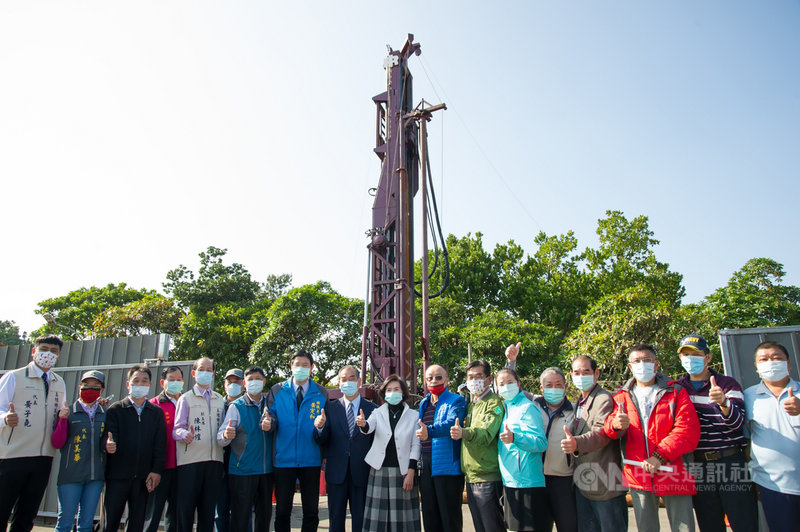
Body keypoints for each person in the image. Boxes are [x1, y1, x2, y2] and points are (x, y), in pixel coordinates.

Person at [603, 344, 700, 532]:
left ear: (656, 365)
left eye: (647, 360)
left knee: (683, 527)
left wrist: (660, 456)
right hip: (638, 472)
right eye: (637, 361)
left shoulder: (675, 392)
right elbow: (609, 427)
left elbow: (687, 430)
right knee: (646, 528)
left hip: (674, 470)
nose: (642, 365)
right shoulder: (621, 397)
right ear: (630, 367)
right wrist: (615, 425)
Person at [674, 334, 758, 531]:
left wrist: (723, 403)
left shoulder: (727, 384)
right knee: (709, 523)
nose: (690, 359)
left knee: (744, 522)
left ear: (708, 357)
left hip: (730, 462)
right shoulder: (678, 388)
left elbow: (737, 425)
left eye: (695, 354)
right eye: (685, 355)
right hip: (698, 466)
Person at [0, 334, 68, 532]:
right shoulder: (14, 377)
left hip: (43, 457)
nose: (48, 354)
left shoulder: (59, 382)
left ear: (59, 355)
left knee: (27, 514)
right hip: (12, 456)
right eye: (44, 349)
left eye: (53, 351)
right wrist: (5, 419)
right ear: (33, 351)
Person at [559, 355, 627, 532]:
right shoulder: (579, 403)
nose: (581, 376)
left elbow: (602, 433)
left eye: (586, 372)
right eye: (576, 372)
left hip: (605, 486)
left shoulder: (604, 399)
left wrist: (577, 444)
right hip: (584, 485)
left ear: (596, 373)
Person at [266, 350, 328, 532]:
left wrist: (321, 426)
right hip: (284, 459)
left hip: (311, 459)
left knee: (311, 511)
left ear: (312, 368)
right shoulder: (277, 390)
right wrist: (269, 423)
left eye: (305, 365)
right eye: (297, 365)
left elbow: (326, 429)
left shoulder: (321, 393)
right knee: (283, 511)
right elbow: (271, 418)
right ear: (291, 366)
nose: (300, 368)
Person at [743, 340, 800, 531]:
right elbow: (747, 440)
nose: (771, 362)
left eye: (777, 358)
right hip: (773, 486)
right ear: (757, 367)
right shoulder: (748, 396)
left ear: (789, 364)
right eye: (764, 359)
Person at [313, 365, 377, 532]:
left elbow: (376, 441)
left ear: (359, 381)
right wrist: (319, 427)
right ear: (339, 382)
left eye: (351, 378)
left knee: (360, 520)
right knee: (336, 519)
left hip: (362, 472)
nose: (347, 382)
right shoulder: (329, 408)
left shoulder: (372, 409)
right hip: (336, 473)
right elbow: (322, 439)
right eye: (343, 379)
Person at [102, 365, 166, 532]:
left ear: (150, 385)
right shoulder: (116, 409)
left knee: (137, 523)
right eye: (136, 381)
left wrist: (156, 470)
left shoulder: (156, 412)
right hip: (118, 476)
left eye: (144, 381)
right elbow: (107, 437)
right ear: (128, 384)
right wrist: (108, 445)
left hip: (144, 478)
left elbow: (160, 444)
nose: (140, 384)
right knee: (110, 522)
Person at [358, 374, 421, 532]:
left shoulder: (414, 415)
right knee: (377, 519)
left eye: (396, 389)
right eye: (389, 389)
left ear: (403, 392)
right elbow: (369, 427)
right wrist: (363, 424)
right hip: (379, 470)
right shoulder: (377, 412)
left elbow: (416, 444)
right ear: (384, 393)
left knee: (403, 520)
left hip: (403, 472)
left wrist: (411, 472)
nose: (393, 393)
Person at [450, 360, 505, 532]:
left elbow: (486, 433)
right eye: (470, 377)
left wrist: (464, 432)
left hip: (487, 477)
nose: (474, 381)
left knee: (492, 527)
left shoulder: (493, 403)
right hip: (472, 477)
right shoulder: (472, 404)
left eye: (479, 377)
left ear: (489, 379)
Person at [218, 366, 273, 532]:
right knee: (240, 518)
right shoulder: (236, 406)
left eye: (258, 379)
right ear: (244, 383)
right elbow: (221, 439)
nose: (254, 382)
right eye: (250, 380)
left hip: (266, 471)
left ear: (264, 382)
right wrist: (226, 435)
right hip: (242, 471)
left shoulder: (271, 405)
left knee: (264, 518)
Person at [173, 357, 225, 532]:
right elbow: (176, 429)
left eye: (209, 370)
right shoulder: (186, 399)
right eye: (201, 369)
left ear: (213, 374)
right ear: (194, 373)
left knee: (208, 512)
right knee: (186, 511)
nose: (205, 373)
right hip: (190, 463)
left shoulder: (220, 400)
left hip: (214, 462)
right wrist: (184, 434)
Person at [52, 370, 107, 532]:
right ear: (79, 387)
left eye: (96, 386)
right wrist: (62, 420)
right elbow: (57, 442)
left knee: (86, 523)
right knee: (65, 522)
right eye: (86, 385)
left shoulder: (105, 413)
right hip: (71, 476)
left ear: (102, 390)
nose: (90, 389)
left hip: (95, 476)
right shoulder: (68, 411)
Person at [496, 368, 549, 532]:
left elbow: (541, 443)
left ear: (519, 384)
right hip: (510, 481)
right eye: (501, 384)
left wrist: (515, 437)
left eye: (510, 382)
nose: (506, 387)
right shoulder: (506, 408)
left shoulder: (527, 407)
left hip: (528, 482)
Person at [416, 364, 467, 532]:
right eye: (430, 378)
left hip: (447, 466)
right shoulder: (424, 403)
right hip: (427, 465)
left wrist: (428, 432)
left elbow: (451, 423)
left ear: (447, 380)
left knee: (449, 518)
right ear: (424, 380)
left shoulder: (456, 400)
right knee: (430, 516)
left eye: (438, 377)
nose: (434, 381)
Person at [534, 367, 577, 532]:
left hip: (564, 481)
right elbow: (511, 389)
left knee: (568, 526)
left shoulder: (575, 411)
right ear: (541, 388)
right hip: (537, 480)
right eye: (549, 384)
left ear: (565, 387)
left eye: (558, 384)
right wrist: (511, 362)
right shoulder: (533, 407)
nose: (554, 388)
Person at [144, 366, 185, 532]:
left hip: (182, 468)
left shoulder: (187, 402)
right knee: (152, 515)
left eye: (178, 380)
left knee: (175, 516)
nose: (175, 383)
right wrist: (153, 468)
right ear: (163, 382)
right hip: (159, 469)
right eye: (171, 380)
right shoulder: (153, 405)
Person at [216, 368, 245, 532]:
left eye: (237, 382)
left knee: (242, 511)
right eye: (230, 381)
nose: (233, 385)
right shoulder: (217, 404)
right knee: (221, 512)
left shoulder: (247, 406)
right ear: (224, 384)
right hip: (220, 467)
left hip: (241, 467)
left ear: (243, 384)